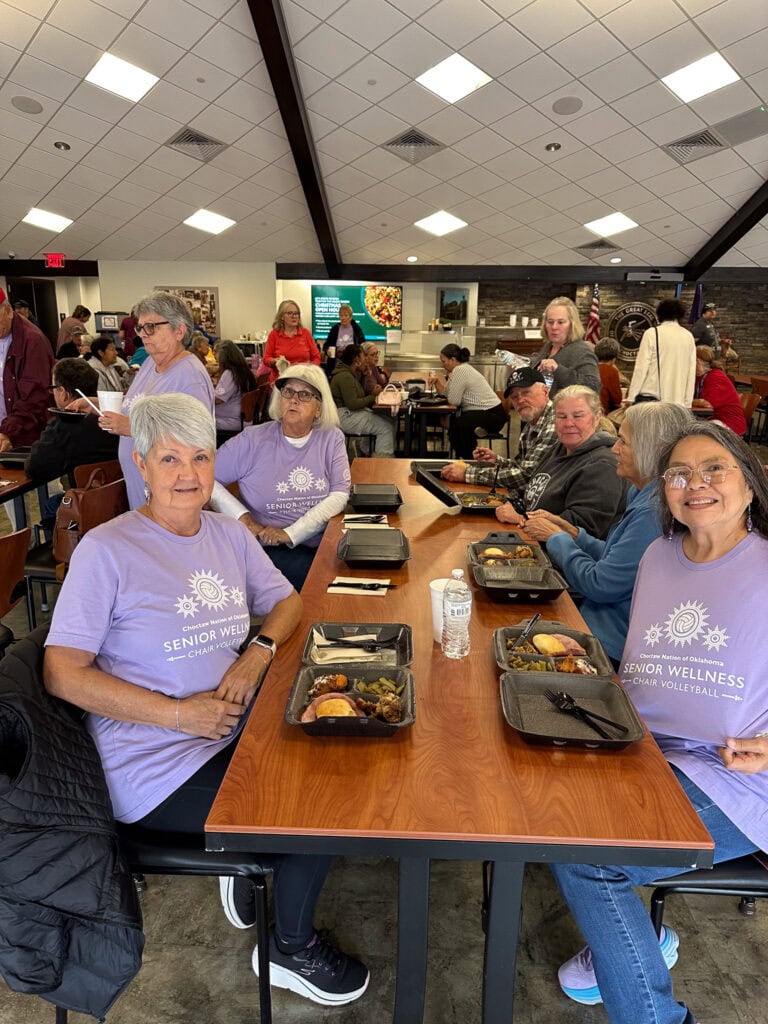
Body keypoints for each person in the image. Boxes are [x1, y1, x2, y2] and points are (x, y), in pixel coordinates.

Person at [43, 393, 369, 1008]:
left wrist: (258, 653)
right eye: (170, 459)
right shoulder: (107, 550)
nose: (188, 475)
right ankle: (288, 949)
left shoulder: (226, 533)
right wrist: (177, 713)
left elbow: (289, 603)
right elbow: (62, 673)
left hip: (231, 731)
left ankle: (248, 878)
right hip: (154, 764)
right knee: (321, 811)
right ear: (141, 464)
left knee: (340, 764)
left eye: (200, 457)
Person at [552, 420, 768, 1024]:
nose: (695, 484)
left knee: (587, 857)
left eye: (714, 469)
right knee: (541, 800)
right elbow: (644, 670)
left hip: (738, 781)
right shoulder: (658, 555)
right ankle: (624, 942)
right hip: (645, 753)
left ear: (749, 484)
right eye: (679, 473)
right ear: (663, 489)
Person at [523, 402, 693, 664]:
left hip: (607, 646)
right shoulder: (642, 492)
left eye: (623, 442)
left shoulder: (653, 512)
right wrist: (573, 534)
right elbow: (617, 559)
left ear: (649, 450)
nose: (614, 449)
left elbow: (601, 585)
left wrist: (555, 539)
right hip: (593, 624)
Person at [211, 364, 350, 591]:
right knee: (323, 587)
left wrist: (290, 533)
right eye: (288, 392)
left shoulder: (331, 438)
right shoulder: (251, 440)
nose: (294, 400)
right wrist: (244, 519)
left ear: (319, 408)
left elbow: (339, 495)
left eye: (305, 394)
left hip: (321, 543)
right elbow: (207, 481)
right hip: (268, 549)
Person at [70, 291, 214, 509]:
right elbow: (133, 403)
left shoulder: (189, 376)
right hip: (144, 486)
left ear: (179, 330)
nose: (143, 334)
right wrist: (94, 404)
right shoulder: (149, 363)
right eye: (140, 327)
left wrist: (131, 427)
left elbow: (194, 436)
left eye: (151, 327)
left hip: (174, 493)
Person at [495, 385, 627, 539]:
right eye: (562, 416)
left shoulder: (603, 466)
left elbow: (579, 531)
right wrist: (514, 505)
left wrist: (520, 519)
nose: (568, 423)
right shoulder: (559, 448)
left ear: (596, 417)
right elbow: (533, 492)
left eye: (578, 416)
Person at [440, 367, 557, 490]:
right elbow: (521, 466)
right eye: (514, 397)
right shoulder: (532, 421)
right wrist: (497, 461)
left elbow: (526, 477)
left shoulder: (554, 423)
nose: (520, 400)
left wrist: (466, 474)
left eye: (526, 392)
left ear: (545, 391)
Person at [25, 357, 118, 484]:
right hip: (121, 494)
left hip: (88, 498)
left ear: (63, 392)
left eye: (53, 388)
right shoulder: (116, 417)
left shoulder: (66, 424)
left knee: (52, 503)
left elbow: (34, 467)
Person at [0, 286, 54, 452]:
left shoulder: (32, 341)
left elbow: (34, 397)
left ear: (8, 311)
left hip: (20, 437)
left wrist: (8, 432)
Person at [432, 343, 508, 460]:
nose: (443, 365)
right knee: (456, 424)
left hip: (492, 414)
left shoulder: (460, 370)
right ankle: (466, 457)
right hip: (486, 413)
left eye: (444, 361)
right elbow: (446, 394)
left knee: (460, 424)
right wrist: (438, 382)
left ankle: (470, 459)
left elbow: (454, 401)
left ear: (452, 360)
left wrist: (448, 389)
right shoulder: (457, 370)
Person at [627, 298, 696, 406]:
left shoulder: (652, 333)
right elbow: (691, 372)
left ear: (660, 314)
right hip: (678, 402)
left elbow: (641, 367)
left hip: (651, 399)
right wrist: (688, 403)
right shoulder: (688, 336)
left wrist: (631, 396)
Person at [330, 344, 395, 457]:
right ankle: (383, 462)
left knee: (388, 420)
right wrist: (373, 395)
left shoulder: (350, 374)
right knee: (386, 428)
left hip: (349, 414)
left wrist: (364, 376)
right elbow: (353, 404)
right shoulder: (345, 376)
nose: (365, 359)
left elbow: (358, 395)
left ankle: (365, 450)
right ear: (356, 360)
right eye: (363, 356)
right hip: (346, 417)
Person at [531, 297, 600, 397]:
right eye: (550, 322)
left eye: (560, 322)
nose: (554, 327)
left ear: (572, 324)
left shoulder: (581, 351)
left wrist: (558, 370)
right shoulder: (549, 346)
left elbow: (594, 387)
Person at [693, 345, 746, 435]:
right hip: (711, 419)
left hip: (728, 422)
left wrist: (690, 401)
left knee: (696, 434)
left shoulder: (716, 376)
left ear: (698, 361)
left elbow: (707, 403)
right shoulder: (699, 377)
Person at [262, 301, 321, 383]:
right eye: (290, 313)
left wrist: (309, 369)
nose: (294, 317)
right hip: (281, 380)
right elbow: (266, 358)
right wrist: (275, 362)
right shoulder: (274, 334)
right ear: (282, 316)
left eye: (296, 313)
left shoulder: (305, 333)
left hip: (303, 379)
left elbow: (316, 357)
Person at [213, 340, 257, 446]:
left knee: (192, 423)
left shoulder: (229, 374)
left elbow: (218, 399)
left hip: (228, 421)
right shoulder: (244, 371)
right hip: (239, 418)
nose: (215, 356)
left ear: (224, 356)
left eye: (216, 352)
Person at [323, 304, 364, 373]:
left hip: (352, 362)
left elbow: (362, 345)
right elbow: (326, 345)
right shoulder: (335, 329)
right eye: (341, 315)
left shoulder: (356, 329)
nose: (343, 318)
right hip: (336, 362)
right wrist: (327, 351)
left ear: (350, 317)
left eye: (345, 315)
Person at [595, 338, 622, 413]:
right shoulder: (611, 371)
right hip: (603, 414)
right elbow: (617, 400)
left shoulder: (590, 367)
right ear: (614, 358)